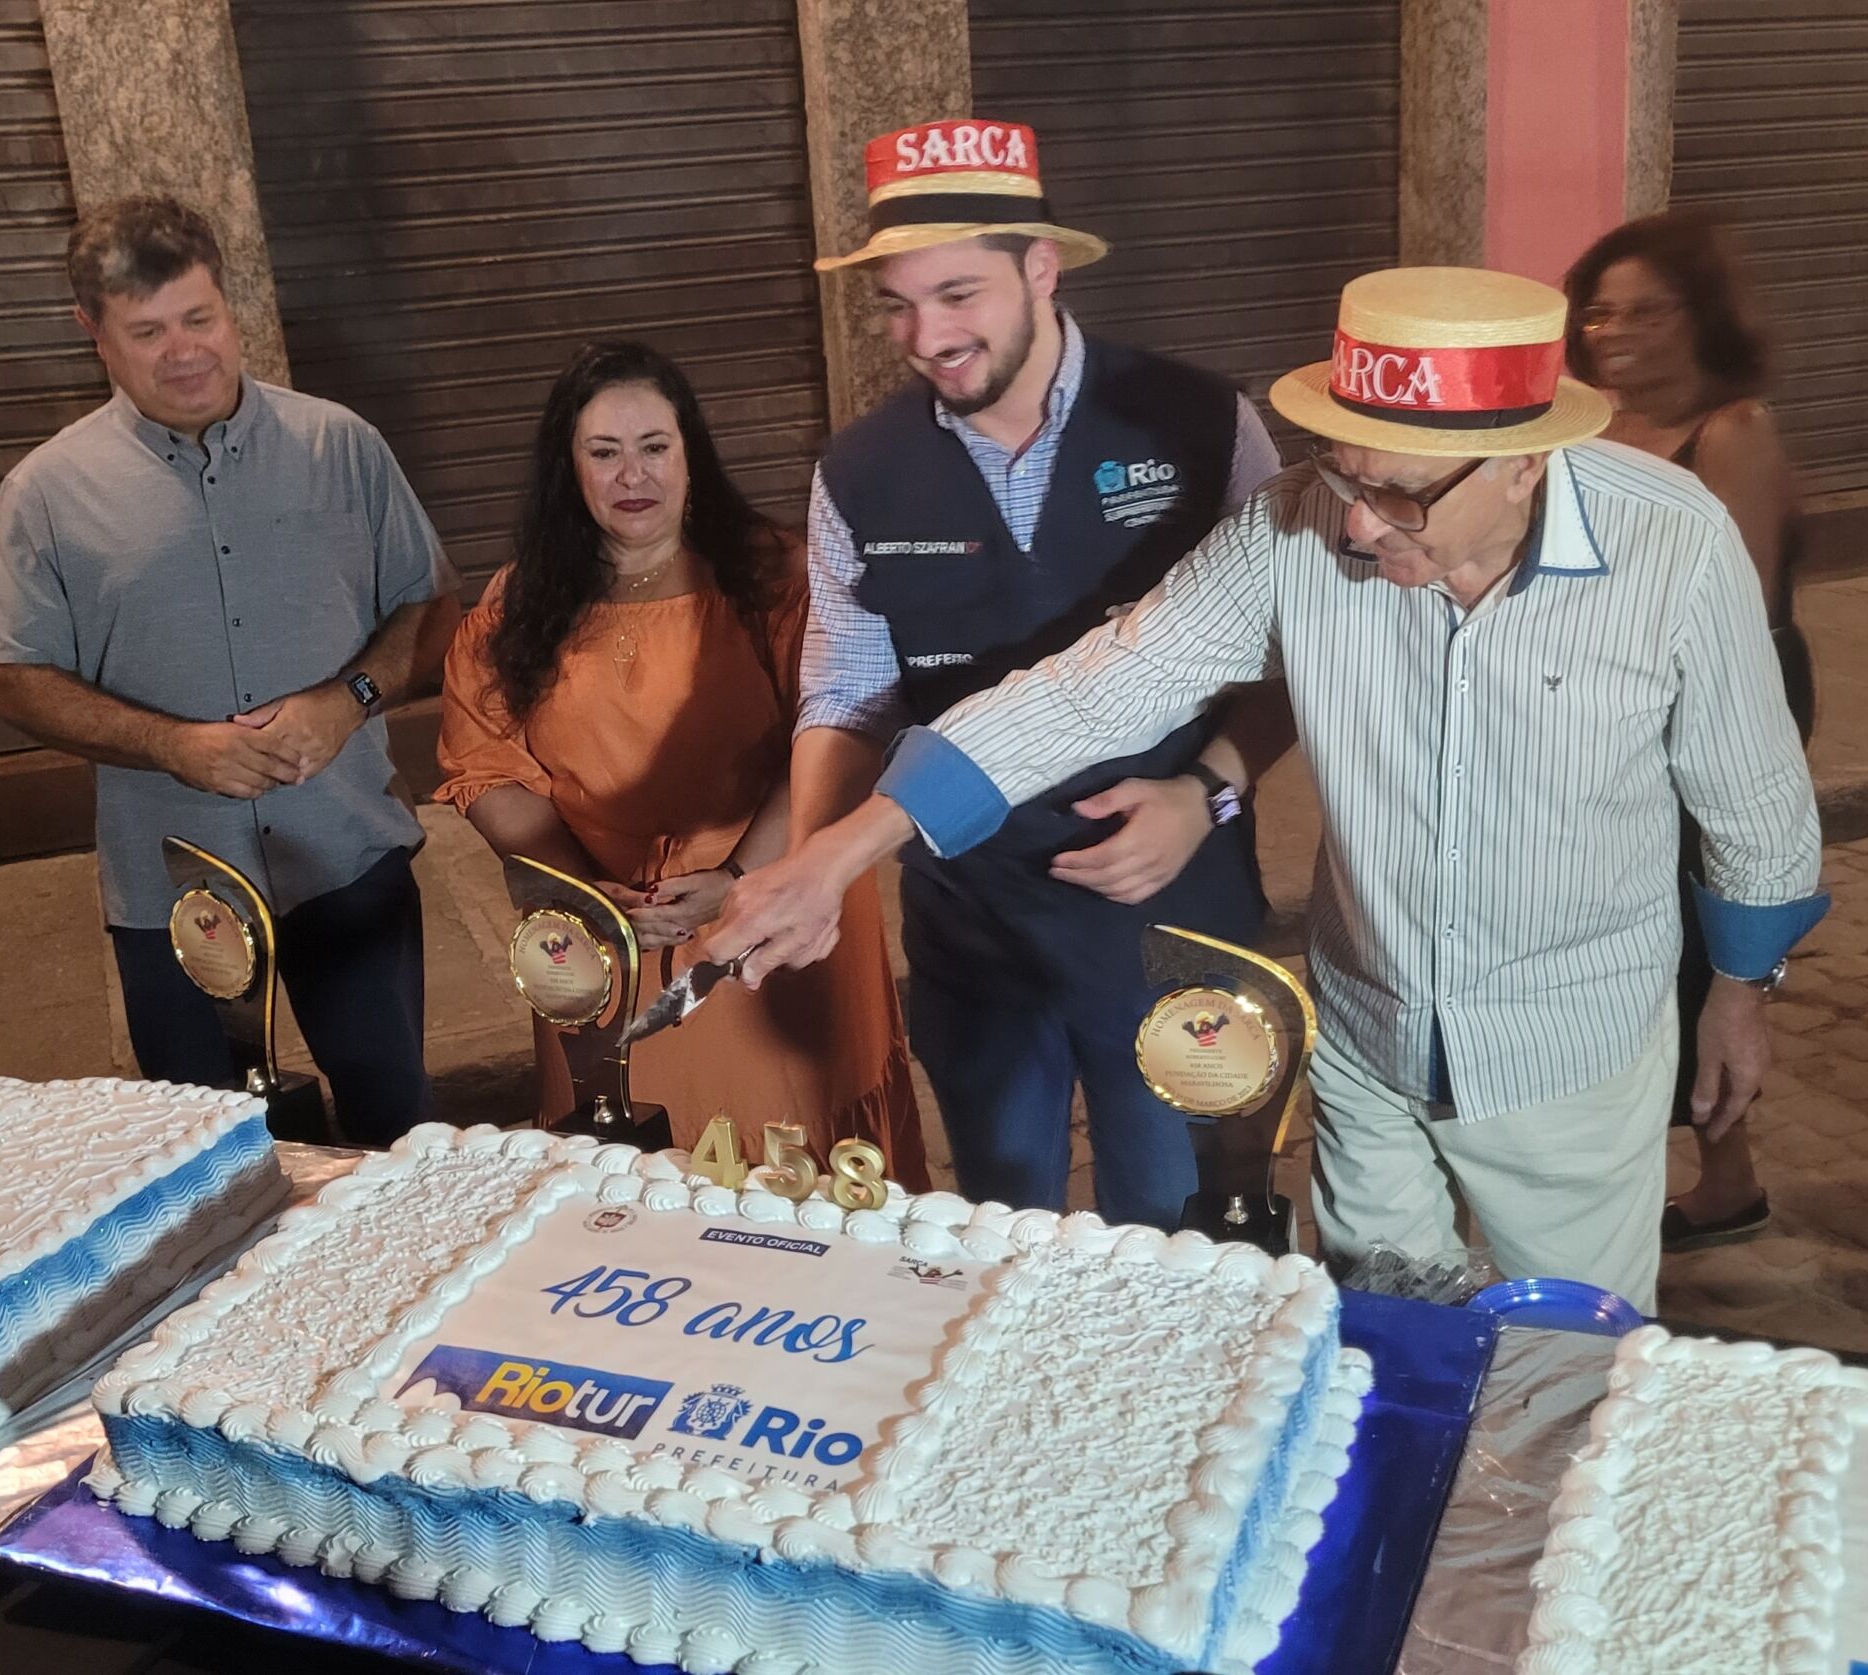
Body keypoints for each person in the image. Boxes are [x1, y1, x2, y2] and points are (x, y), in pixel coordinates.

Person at [709, 266, 1828, 1314]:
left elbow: (1751, 799)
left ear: (1520, 463)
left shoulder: (1671, 546)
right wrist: (840, 850)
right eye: (1343, 470)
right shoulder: (1293, 524)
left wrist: (1740, 989)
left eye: (1394, 494)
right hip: (1367, 1023)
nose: (1351, 521)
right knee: (1385, 1327)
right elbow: (1094, 689)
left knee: (1569, 1354)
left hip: (1567, 1043)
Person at [792, 117, 1294, 1231]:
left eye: (958, 294)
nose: (925, 335)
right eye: (897, 303)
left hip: (1171, 919)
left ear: (1041, 267)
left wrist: (1205, 790)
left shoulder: (1205, 424)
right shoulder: (856, 472)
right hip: (974, 923)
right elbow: (844, 694)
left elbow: (1295, 657)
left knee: (1175, 1237)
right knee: (1004, 1222)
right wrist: (808, 870)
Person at [0, 197, 461, 1146]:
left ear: (229, 307)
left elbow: (432, 604)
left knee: (396, 1126)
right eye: (147, 332)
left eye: (199, 318)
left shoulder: (339, 444)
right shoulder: (45, 493)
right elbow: (14, 677)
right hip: (171, 891)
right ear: (94, 334)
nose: (184, 350)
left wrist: (347, 700)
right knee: (215, 1158)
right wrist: (168, 745)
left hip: (346, 857)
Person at [434, 340, 927, 1184]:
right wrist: (589, 895)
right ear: (570, 467)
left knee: (798, 1177)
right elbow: (489, 763)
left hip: (773, 922)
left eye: (655, 447)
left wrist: (739, 872)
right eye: (605, 452)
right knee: (637, 1186)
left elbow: (839, 727)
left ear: (690, 454)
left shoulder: (777, 581)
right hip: (606, 936)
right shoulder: (515, 607)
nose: (635, 476)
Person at [1564, 208, 1815, 1253]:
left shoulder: (1729, 432)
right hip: (1602, 702)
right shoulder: (1582, 423)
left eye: (1642, 310)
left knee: (1692, 949)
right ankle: (1724, 1179)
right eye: (1596, 308)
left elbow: (1734, 619)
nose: (1611, 329)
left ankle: (1711, 1172)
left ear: (1698, 317)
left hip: (1710, 712)